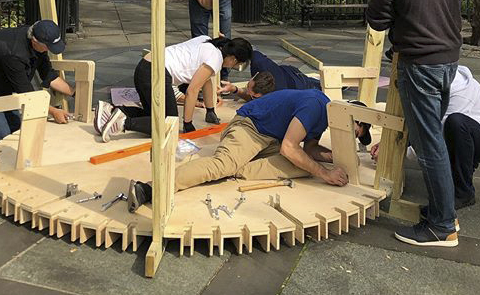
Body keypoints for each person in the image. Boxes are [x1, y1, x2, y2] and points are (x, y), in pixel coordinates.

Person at [365, 0, 464, 247]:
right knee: (433, 139)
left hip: (419, 63)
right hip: (449, 59)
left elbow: (377, 21)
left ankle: (442, 225)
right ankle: (445, 210)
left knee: (428, 145)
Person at [123, 89, 374, 212]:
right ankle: (151, 188)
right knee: (222, 165)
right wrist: (325, 173)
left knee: (305, 166)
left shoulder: (325, 117)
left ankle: (237, 166)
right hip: (250, 127)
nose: (350, 137)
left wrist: (332, 157)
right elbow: (289, 147)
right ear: (352, 119)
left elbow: (308, 148)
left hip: (270, 139)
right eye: (355, 132)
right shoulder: (316, 105)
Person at [369, 65, 480, 210]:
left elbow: (433, 136)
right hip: (473, 128)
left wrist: (395, 153)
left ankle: (464, 193)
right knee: (453, 127)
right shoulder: (437, 77)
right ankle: (464, 166)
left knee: (456, 125)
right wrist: (386, 143)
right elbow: (418, 121)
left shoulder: (456, 94)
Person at [96, 35, 253, 140]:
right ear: (233, 58)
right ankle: (123, 123)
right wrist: (187, 123)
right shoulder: (216, 59)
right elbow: (192, 91)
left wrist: (210, 110)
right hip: (156, 73)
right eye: (236, 64)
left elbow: (206, 81)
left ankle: (110, 110)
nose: (232, 67)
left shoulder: (208, 41)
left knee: (153, 113)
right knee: (169, 124)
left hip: (144, 67)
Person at [220, 49, 318, 100]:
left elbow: (250, 98)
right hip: (290, 73)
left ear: (258, 95)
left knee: (324, 86)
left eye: (250, 93)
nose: (247, 90)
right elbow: (247, 49)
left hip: (302, 84)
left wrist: (235, 90)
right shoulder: (257, 60)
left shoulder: (273, 98)